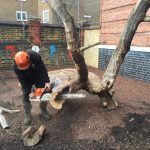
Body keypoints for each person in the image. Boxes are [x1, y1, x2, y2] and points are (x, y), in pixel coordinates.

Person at [13, 50, 51, 125]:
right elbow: (22, 81)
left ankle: (43, 110)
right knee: (25, 95)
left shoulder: (35, 56)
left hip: (37, 76)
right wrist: (29, 91)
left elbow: (42, 69)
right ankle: (27, 114)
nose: (25, 68)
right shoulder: (15, 67)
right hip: (26, 79)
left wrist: (47, 82)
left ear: (29, 59)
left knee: (45, 92)